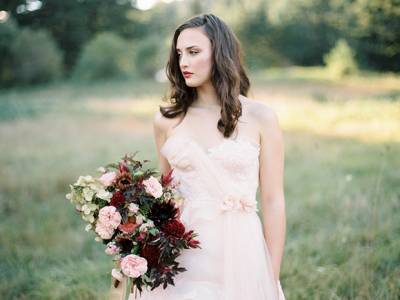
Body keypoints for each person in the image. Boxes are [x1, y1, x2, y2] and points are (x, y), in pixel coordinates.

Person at [134, 13, 286, 300]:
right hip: (183, 253)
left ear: (220, 53)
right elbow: (164, 197)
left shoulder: (261, 117)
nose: (184, 63)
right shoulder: (166, 120)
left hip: (241, 250)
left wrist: (271, 274)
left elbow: (273, 199)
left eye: (193, 52)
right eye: (179, 54)